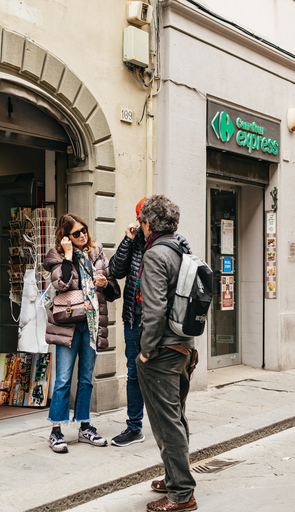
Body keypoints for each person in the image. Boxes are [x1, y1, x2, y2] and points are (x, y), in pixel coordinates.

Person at [108, 198, 191, 448]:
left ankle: (171, 435)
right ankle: (135, 427)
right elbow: (116, 270)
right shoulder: (137, 244)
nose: (140, 224)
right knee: (135, 375)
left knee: (163, 383)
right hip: (134, 319)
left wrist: (147, 350)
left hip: (161, 328)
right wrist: (127, 241)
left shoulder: (168, 246)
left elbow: (159, 304)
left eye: (142, 219)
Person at [136, 196, 198, 512]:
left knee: (165, 421)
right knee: (176, 416)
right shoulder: (183, 251)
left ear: (149, 224)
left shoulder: (156, 255)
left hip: (163, 351)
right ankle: (175, 477)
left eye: (142, 222)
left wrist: (146, 350)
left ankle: (181, 493)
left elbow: (154, 308)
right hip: (186, 347)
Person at [43, 213, 111, 453]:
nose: (83, 235)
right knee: (63, 379)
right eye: (76, 233)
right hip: (67, 326)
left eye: (84, 230)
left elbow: (112, 287)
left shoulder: (97, 252)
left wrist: (105, 284)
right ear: (65, 237)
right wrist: (69, 256)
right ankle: (56, 431)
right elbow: (61, 283)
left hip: (91, 324)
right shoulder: (55, 256)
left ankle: (85, 427)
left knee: (85, 379)